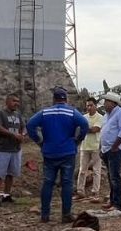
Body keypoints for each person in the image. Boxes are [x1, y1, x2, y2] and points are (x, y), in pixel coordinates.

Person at [25, 87, 89, 223]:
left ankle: (45, 215)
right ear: (66, 99)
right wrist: (78, 139)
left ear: (54, 99)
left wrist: (39, 141)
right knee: (67, 183)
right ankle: (66, 214)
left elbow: (30, 125)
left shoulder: (45, 112)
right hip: (67, 152)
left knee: (48, 183)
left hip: (49, 152)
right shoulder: (72, 112)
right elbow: (85, 124)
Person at [0, 94, 26, 207]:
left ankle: (7, 194)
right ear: (7, 102)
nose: (16, 103)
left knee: (11, 173)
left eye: (18, 101)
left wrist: (22, 135)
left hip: (15, 149)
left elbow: (23, 127)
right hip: (3, 149)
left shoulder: (18, 115)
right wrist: (13, 135)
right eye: (14, 101)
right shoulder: (0, 113)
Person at [99, 92, 121, 214]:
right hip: (106, 149)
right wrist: (100, 148)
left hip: (115, 150)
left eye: (106, 101)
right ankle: (112, 200)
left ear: (112, 103)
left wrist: (115, 146)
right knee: (111, 176)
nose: (104, 104)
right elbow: (103, 132)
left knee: (115, 176)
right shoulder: (106, 115)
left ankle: (117, 204)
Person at [75, 97, 104, 202]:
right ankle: (80, 192)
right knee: (82, 170)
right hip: (84, 146)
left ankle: (95, 192)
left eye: (91, 105)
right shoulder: (83, 117)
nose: (89, 107)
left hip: (96, 146)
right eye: (87, 105)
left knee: (96, 170)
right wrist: (85, 130)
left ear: (95, 106)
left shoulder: (100, 117)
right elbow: (79, 129)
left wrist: (84, 129)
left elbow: (95, 129)